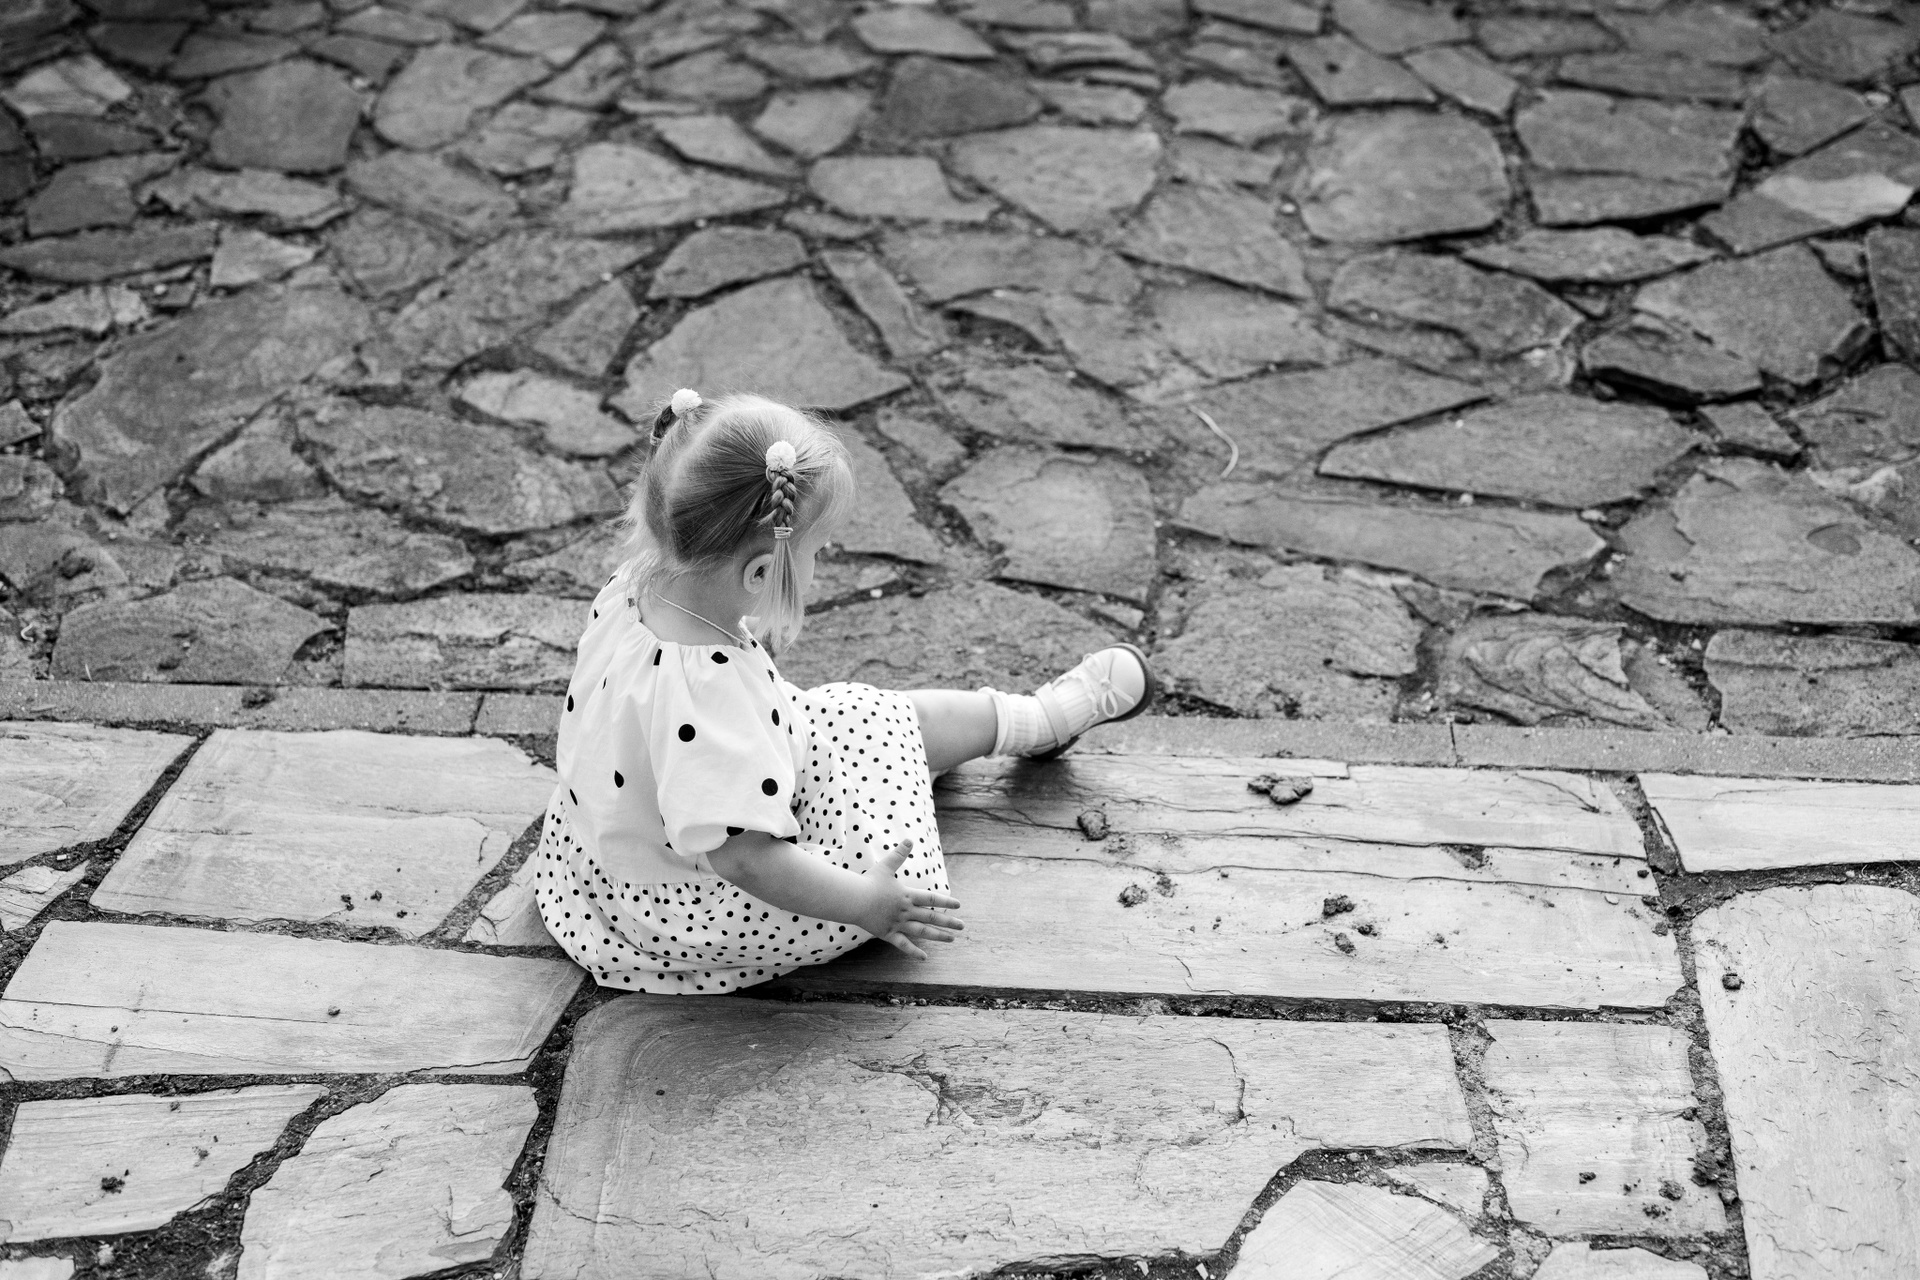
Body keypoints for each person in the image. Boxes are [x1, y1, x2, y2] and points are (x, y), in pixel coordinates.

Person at [534, 388, 1157, 994]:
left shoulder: (633, 587)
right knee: (898, 858)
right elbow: (746, 860)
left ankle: (1033, 721)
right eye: (817, 551)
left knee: (856, 712)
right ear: (761, 572)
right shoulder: (712, 695)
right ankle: (1013, 729)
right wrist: (866, 903)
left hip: (603, 856)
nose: (818, 564)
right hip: (696, 904)